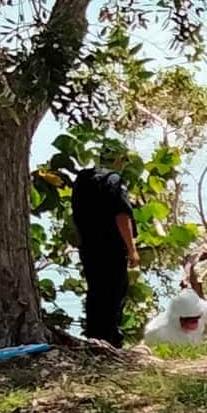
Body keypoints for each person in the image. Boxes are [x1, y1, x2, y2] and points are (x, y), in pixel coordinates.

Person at [71, 142, 140, 348]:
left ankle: (93, 338)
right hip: (111, 249)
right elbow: (122, 216)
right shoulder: (114, 181)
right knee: (114, 294)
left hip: (89, 247)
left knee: (95, 292)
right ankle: (110, 341)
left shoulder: (83, 179)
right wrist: (132, 250)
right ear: (118, 160)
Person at [143, 289, 207, 346]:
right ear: (175, 317)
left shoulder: (205, 309)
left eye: (195, 319)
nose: (192, 324)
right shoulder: (156, 331)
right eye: (187, 320)